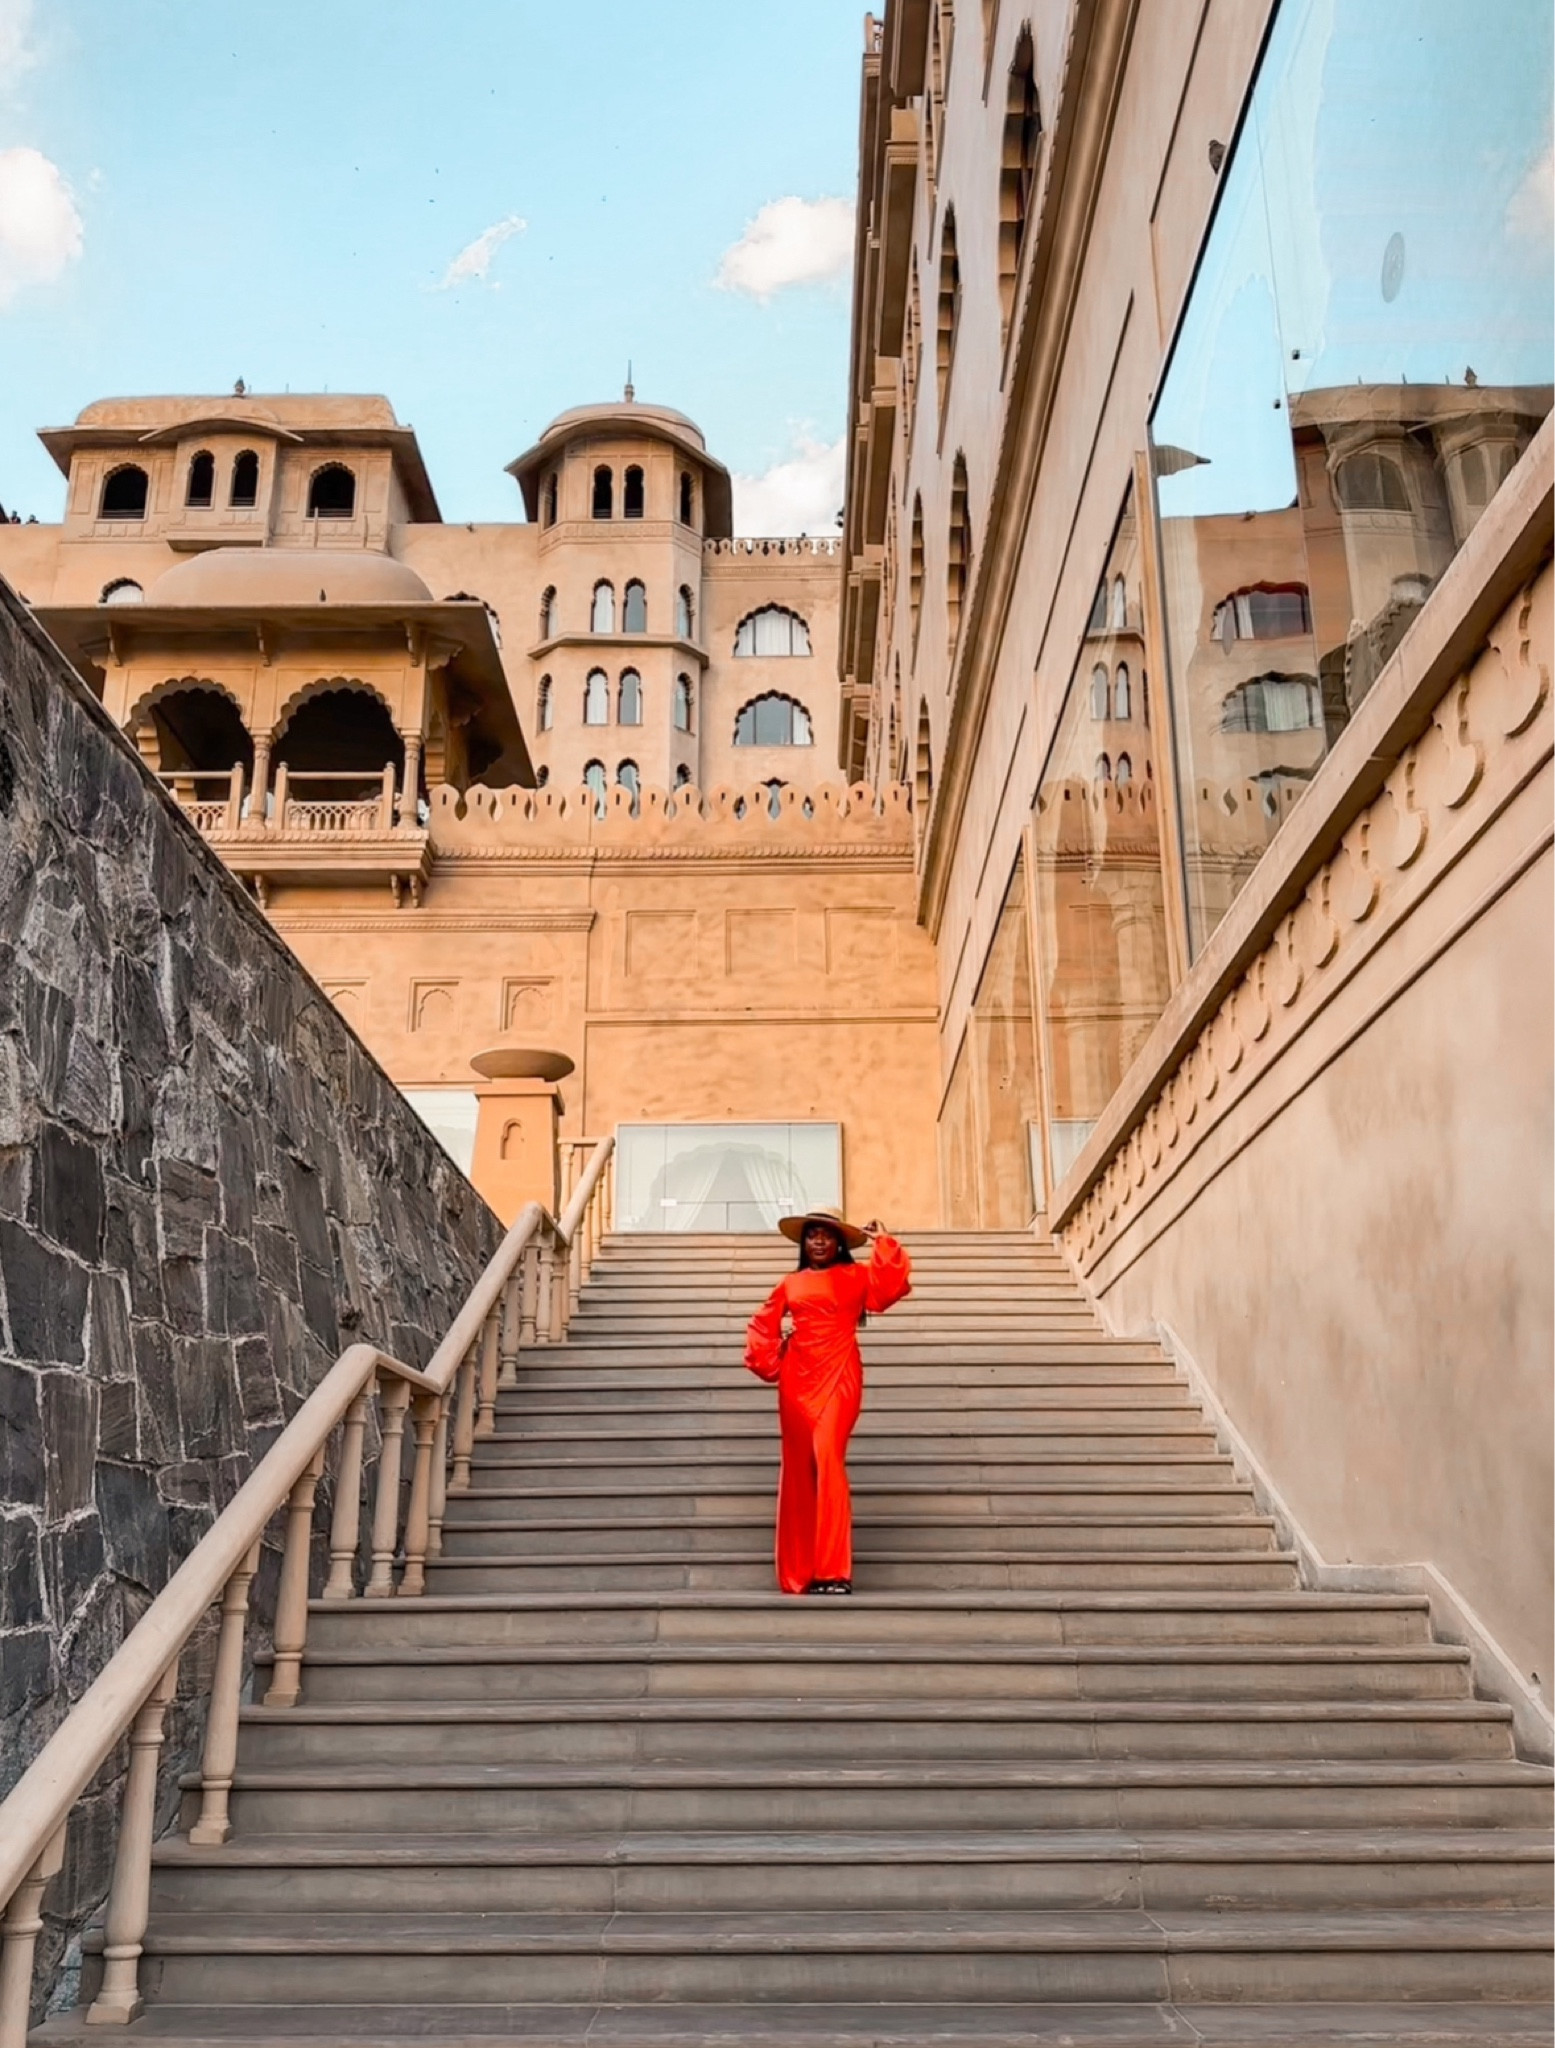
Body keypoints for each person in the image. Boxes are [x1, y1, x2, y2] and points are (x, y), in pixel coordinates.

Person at [743, 1207, 911, 1595]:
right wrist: (774, 1357)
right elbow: (761, 1326)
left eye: (826, 1234)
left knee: (829, 1459)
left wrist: (884, 1243)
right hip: (797, 1381)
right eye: (812, 1234)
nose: (818, 1241)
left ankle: (834, 1571)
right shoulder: (790, 1283)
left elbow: (889, 1290)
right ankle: (800, 1571)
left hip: (840, 1374)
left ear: (839, 1242)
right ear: (803, 1242)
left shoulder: (856, 1276)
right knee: (798, 1471)